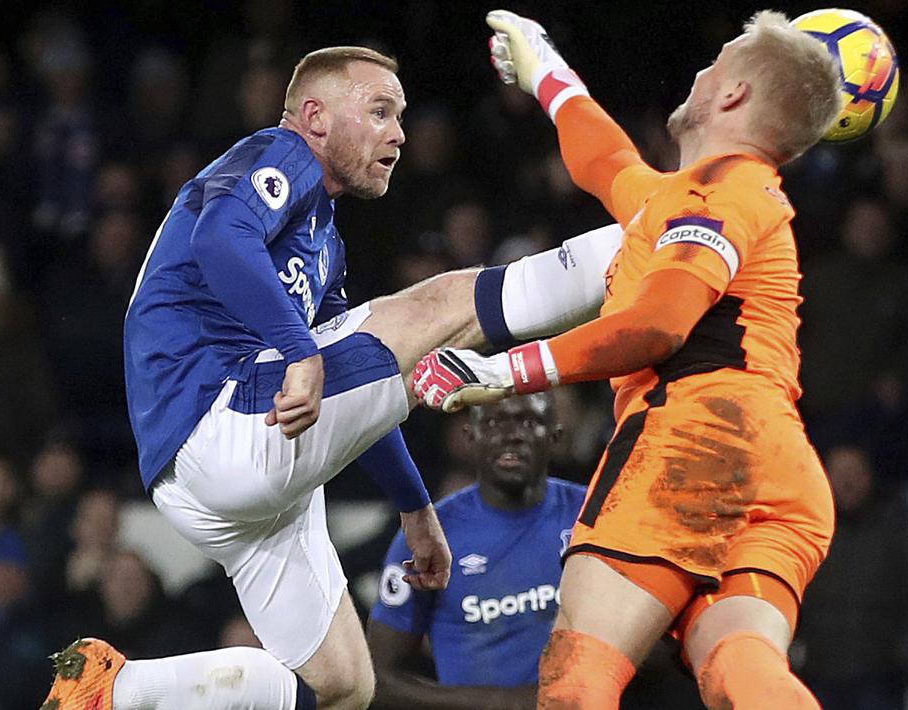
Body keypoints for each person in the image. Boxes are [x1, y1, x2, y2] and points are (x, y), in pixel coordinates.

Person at [43, 45, 625, 710]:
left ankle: (117, 690)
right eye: (379, 111)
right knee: (437, 308)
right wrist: (302, 350)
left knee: (343, 686)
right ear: (315, 117)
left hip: (220, 483)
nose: (398, 134)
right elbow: (219, 239)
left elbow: (362, 393)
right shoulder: (279, 151)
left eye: (401, 118)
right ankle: (644, 239)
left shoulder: (322, 241)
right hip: (223, 421)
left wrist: (414, 508)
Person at [414, 9, 845, 709]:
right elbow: (607, 165)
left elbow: (657, 326)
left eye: (716, 62)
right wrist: (546, 73)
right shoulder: (692, 195)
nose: (699, 72)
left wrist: (503, 371)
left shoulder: (721, 193)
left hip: (695, 441)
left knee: (574, 684)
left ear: (732, 94)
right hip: (779, 470)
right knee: (740, 667)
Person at [365, 393, 584, 709]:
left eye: (528, 421)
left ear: (555, 437)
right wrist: (504, 703)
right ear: (470, 437)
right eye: (494, 422)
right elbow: (378, 678)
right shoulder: (432, 536)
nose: (511, 435)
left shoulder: (593, 516)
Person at [791, 445, 908, 710]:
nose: (847, 481)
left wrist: (900, 660)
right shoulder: (808, 530)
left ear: (868, 476)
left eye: (854, 472)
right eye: (839, 473)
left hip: (879, 680)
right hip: (817, 675)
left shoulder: (899, 529)